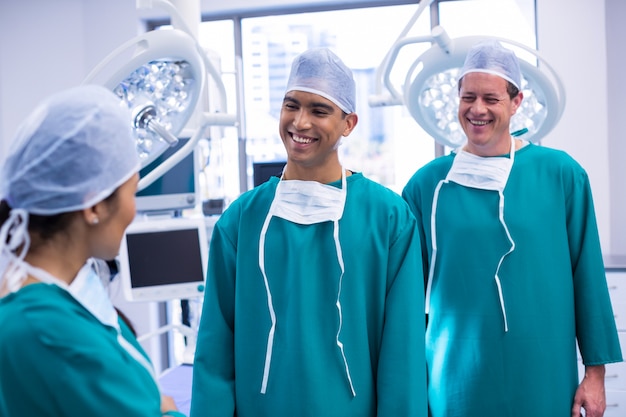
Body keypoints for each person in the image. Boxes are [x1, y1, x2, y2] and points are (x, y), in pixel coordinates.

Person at [190, 47, 427, 417]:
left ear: (349, 124)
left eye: (319, 110)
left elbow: (404, 356)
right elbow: (215, 352)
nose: (300, 123)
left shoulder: (388, 218)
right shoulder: (241, 220)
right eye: (291, 106)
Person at [402, 40, 623, 417]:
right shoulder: (427, 186)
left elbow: (586, 275)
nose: (477, 109)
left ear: (516, 102)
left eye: (491, 98)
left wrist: (595, 374)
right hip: (454, 378)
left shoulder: (560, 174)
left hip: (544, 376)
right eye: (468, 96)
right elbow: (405, 297)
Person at [0, 84, 185, 417]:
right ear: (94, 206)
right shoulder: (47, 331)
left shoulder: (46, 298)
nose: (133, 210)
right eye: (133, 191)